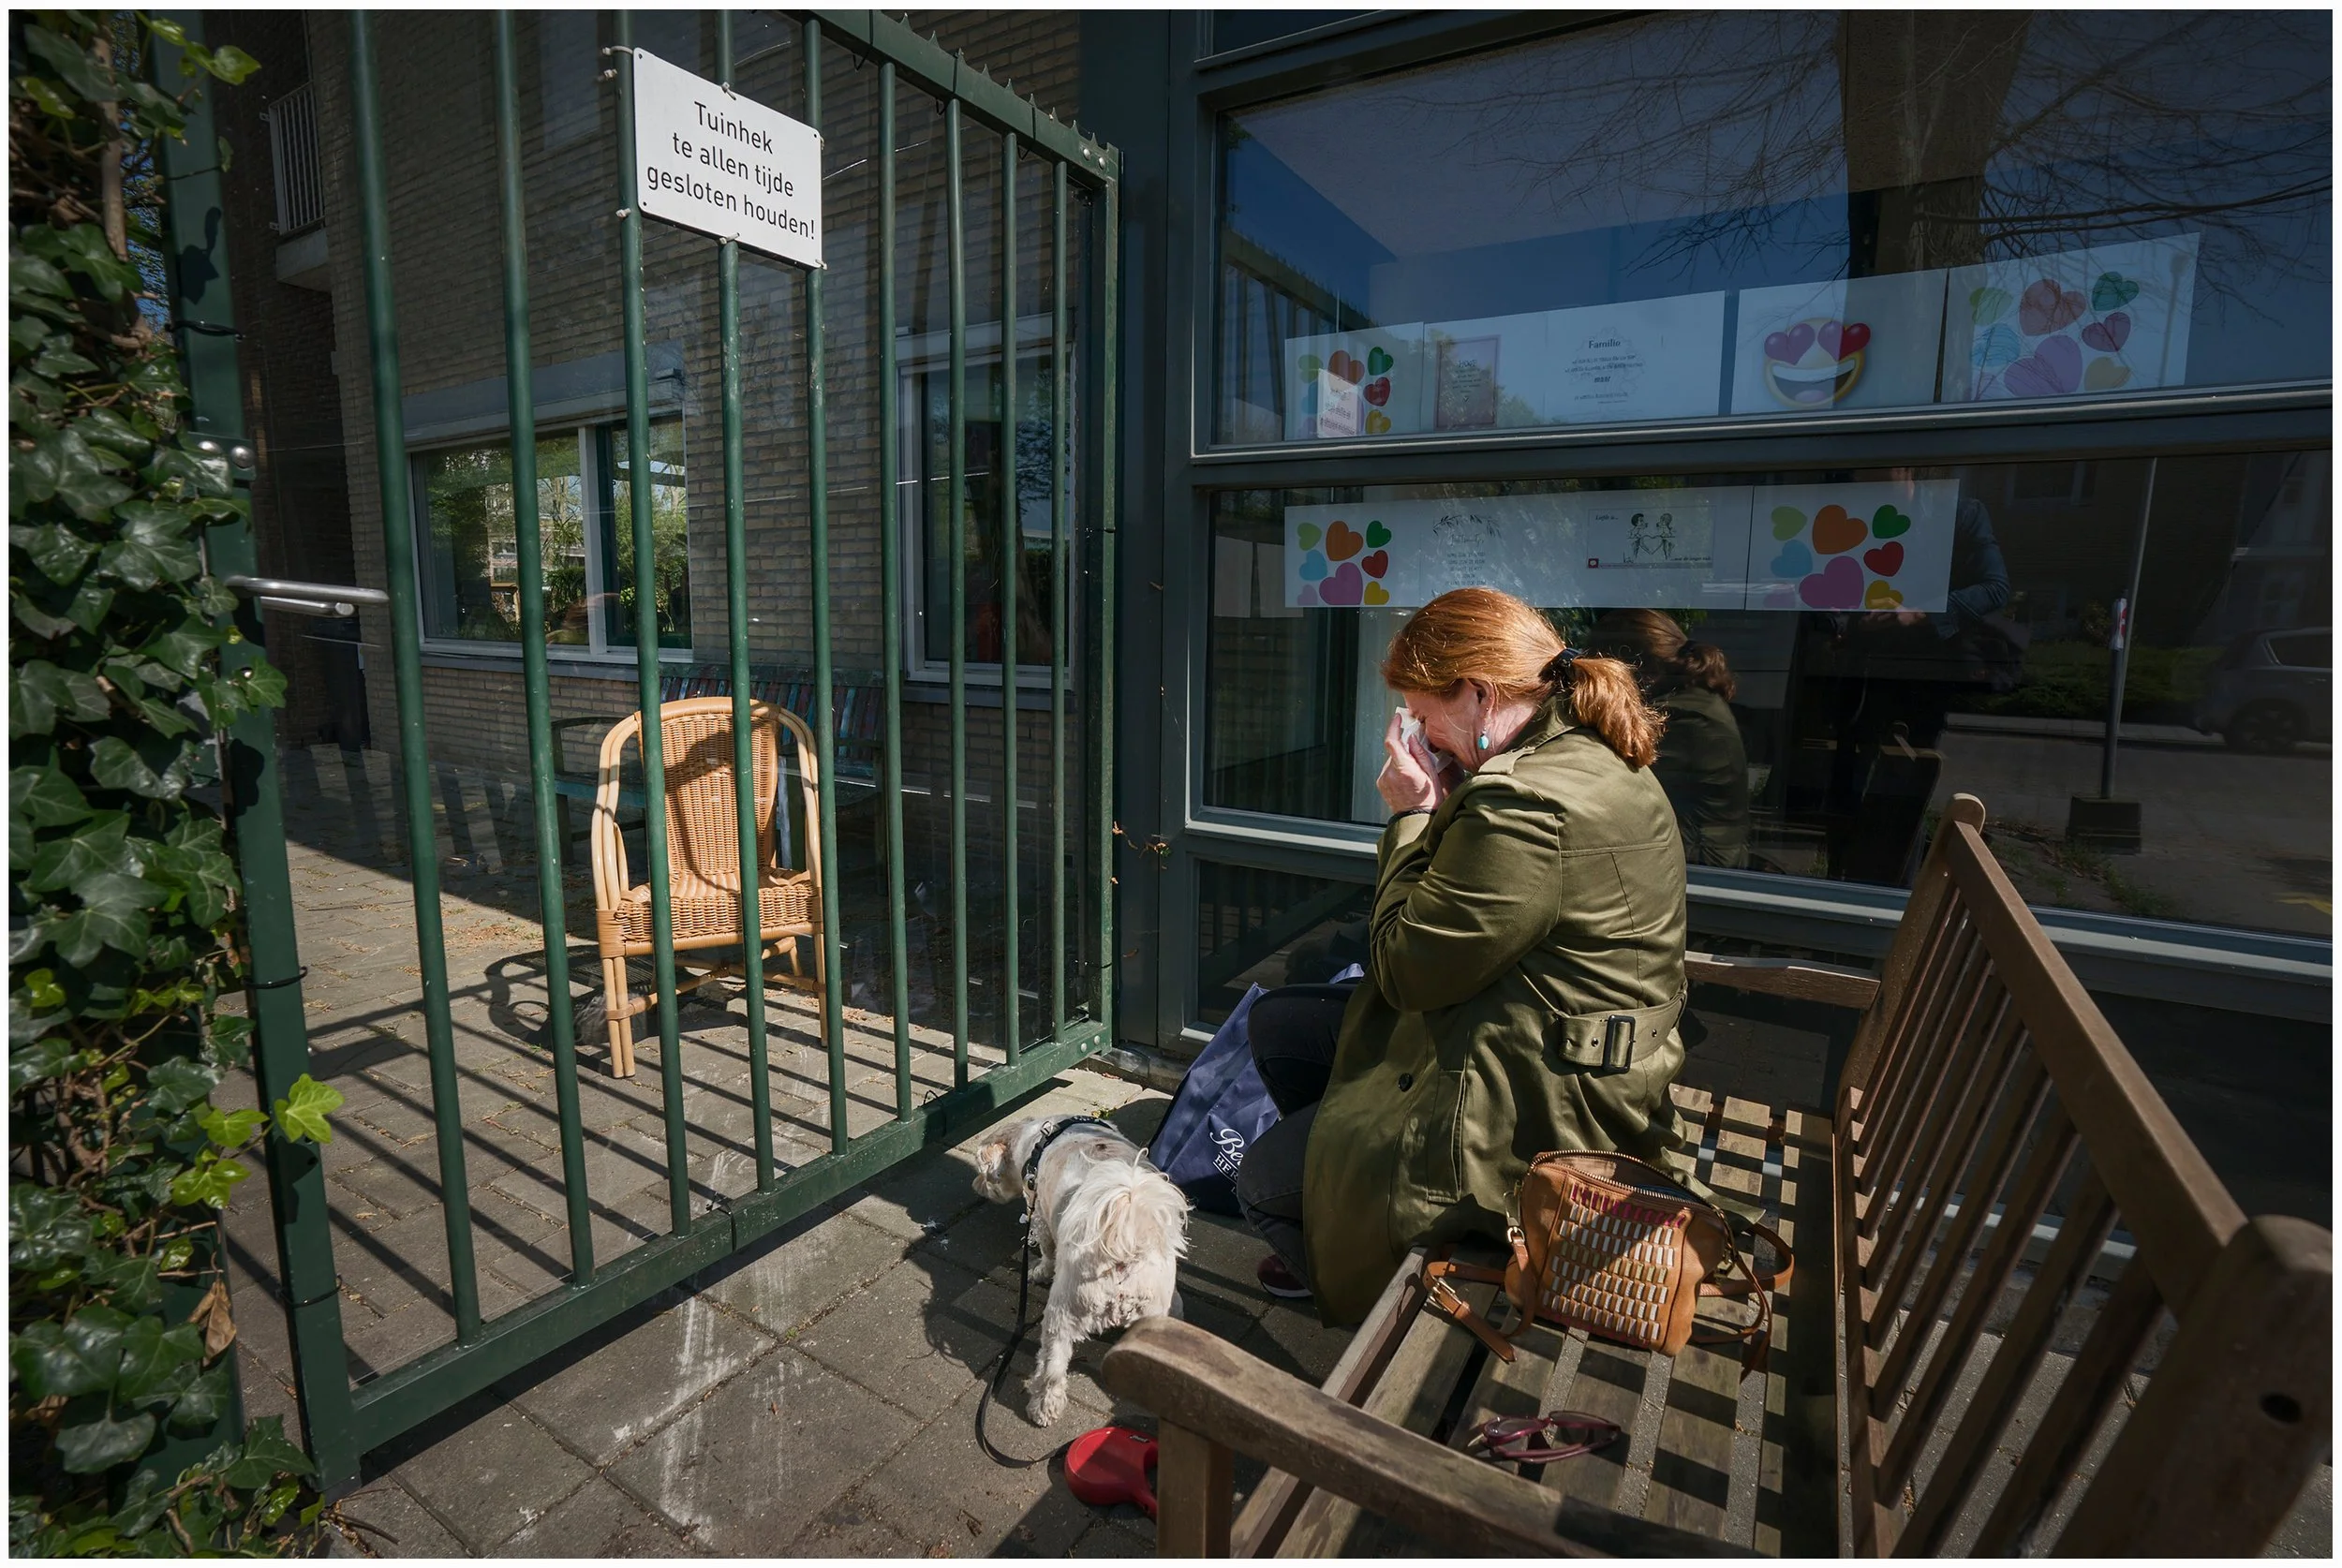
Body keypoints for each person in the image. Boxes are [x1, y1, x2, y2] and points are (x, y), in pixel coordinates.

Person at [1233, 587, 1696, 1322]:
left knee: (1259, 1182)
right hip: (1554, 1040)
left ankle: (1371, 1279)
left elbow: (1405, 972)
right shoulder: (1583, 751)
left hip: (1546, 1108)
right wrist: (1452, 797)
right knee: (1281, 1025)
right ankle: (1340, 1206)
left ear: (1479, 693)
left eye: (1423, 716)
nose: (1421, 733)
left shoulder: (1527, 803)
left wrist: (1413, 817)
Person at [1586, 609, 1751, 868]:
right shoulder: (1692, 700)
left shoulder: (1682, 716)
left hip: (1700, 864)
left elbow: (1608, 778)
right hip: (1698, 856)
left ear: (1630, 667)